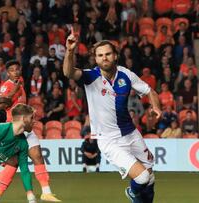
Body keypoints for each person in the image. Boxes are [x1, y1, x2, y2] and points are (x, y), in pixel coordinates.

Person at [63, 36, 161, 203]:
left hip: (131, 133)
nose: (104, 58)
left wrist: (156, 106)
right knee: (142, 178)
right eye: (100, 55)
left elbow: (149, 90)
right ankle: (131, 191)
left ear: (115, 55)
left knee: (150, 179)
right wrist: (70, 51)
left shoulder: (126, 74)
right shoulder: (90, 77)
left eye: (108, 54)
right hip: (109, 140)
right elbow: (68, 72)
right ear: (96, 58)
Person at [0, 60, 61, 202]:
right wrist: (13, 92)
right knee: (12, 164)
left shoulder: (21, 84)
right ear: (8, 73)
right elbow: (0, 106)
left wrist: (30, 112)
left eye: (17, 69)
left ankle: (46, 192)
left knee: (37, 156)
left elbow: (20, 105)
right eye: (12, 70)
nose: (15, 72)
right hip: (14, 129)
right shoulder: (7, 86)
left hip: (27, 127)